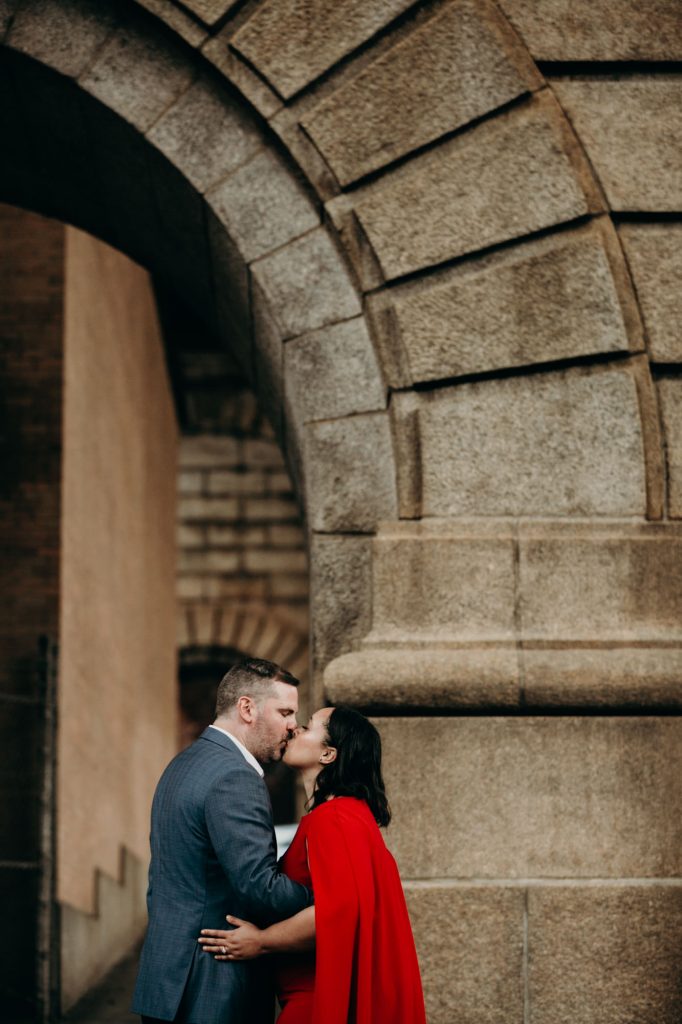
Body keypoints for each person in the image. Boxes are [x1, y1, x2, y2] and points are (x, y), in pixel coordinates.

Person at [198, 705, 427, 1024]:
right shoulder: (350, 816)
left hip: (318, 1002)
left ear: (328, 755)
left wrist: (260, 941)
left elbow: (337, 909)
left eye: (307, 727)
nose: (294, 730)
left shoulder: (334, 819)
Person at [131, 658, 313, 1024]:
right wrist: (329, 898)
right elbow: (260, 888)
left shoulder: (183, 764)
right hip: (212, 987)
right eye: (285, 712)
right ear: (247, 708)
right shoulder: (236, 776)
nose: (293, 726)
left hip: (166, 981)